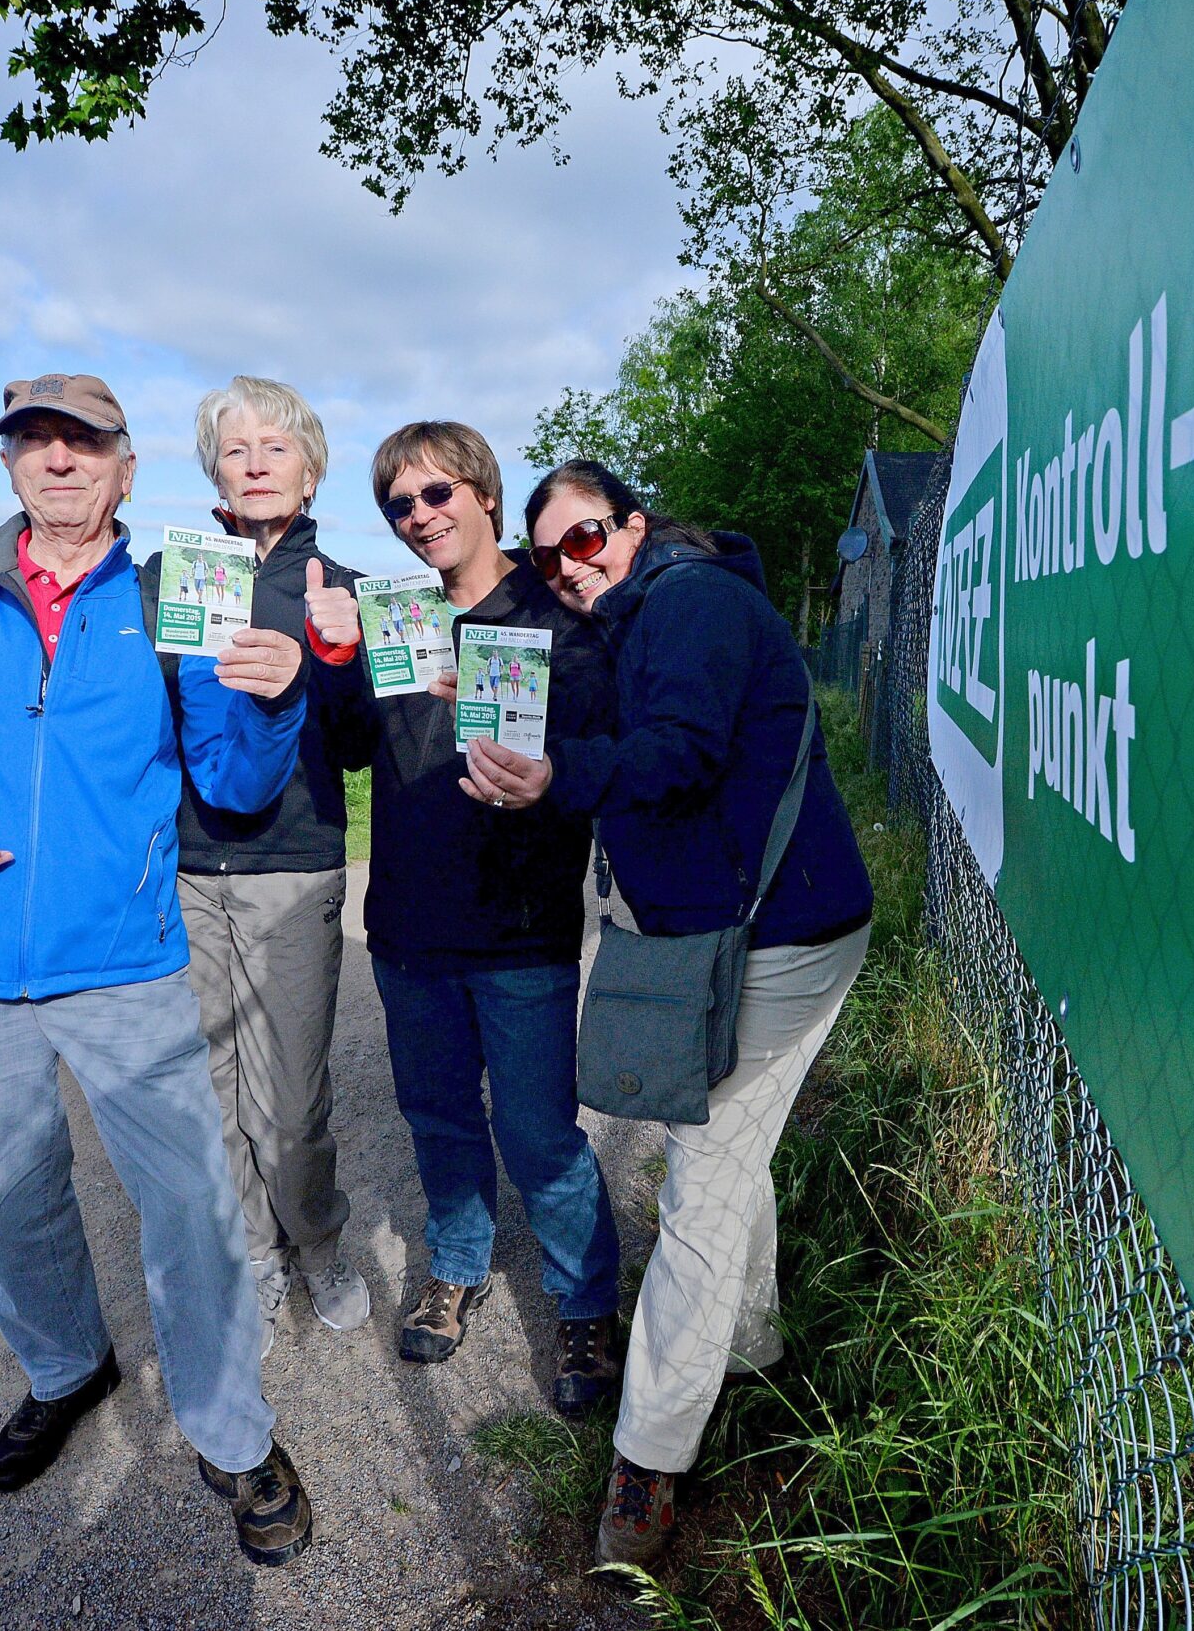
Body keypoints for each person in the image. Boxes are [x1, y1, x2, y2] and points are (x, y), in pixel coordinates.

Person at [0, 372, 318, 1568]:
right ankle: (66, 1370)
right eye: (34, 444)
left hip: (120, 962)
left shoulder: (178, 593)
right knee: (11, 1199)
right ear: (9, 467)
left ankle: (231, 1430)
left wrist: (269, 704)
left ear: (126, 468)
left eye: (84, 443)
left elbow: (237, 781)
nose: (59, 462)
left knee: (192, 1202)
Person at [476, 460, 875, 1567]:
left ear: (634, 527)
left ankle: (646, 1462)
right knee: (722, 1158)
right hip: (727, 937)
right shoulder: (640, 611)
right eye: (550, 552)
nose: (571, 566)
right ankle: (748, 1347)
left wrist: (554, 773)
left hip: (783, 942)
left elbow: (676, 754)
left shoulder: (690, 602)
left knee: (698, 1186)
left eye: (588, 537)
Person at [306, 421, 627, 1416]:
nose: (418, 517)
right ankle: (457, 1264)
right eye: (400, 505)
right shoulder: (394, 609)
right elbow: (358, 746)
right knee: (437, 1116)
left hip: (520, 926)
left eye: (436, 494)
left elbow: (599, 742)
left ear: (486, 495)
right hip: (407, 925)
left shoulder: (552, 610)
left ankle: (585, 1301)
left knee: (537, 1135)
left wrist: (537, 750)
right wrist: (334, 653)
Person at [156, 375, 373, 1351]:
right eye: (233, 448)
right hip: (191, 867)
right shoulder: (171, 575)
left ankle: (317, 1239)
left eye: (273, 446)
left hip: (295, 864)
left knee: (290, 1092)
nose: (253, 462)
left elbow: (372, 742)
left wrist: (329, 666)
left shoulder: (350, 588)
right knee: (210, 1080)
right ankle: (248, 1247)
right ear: (213, 469)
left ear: (310, 467)